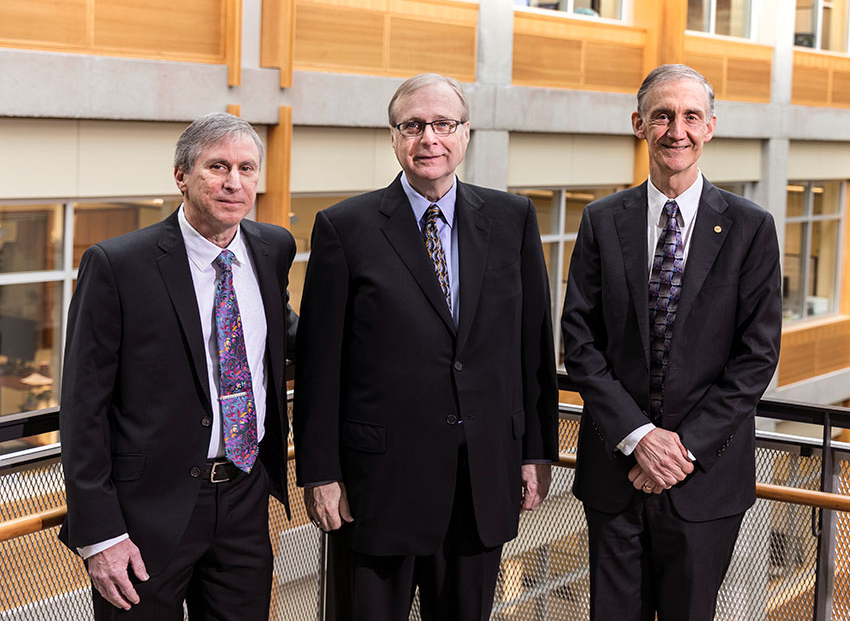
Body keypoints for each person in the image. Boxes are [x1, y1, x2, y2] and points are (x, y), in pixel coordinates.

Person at [293, 73, 559, 620]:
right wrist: (321, 472)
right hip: (376, 488)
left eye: (443, 124)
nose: (428, 139)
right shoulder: (345, 227)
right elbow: (321, 365)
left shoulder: (513, 219)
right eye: (413, 126)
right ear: (394, 138)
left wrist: (535, 451)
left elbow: (534, 348)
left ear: (466, 134)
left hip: (481, 481)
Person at [561, 64, 782, 620]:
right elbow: (579, 342)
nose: (675, 129)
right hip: (615, 474)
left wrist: (679, 450)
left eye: (689, 116)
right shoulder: (600, 220)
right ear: (639, 124)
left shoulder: (751, 227)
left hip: (704, 480)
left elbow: (756, 356)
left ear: (709, 126)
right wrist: (639, 438)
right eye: (661, 115)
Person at [59, 112, 297, 620]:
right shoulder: (118, 265)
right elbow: (84, 407)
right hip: (147, 514)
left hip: (244, 498)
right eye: (217, 166)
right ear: (181, 176)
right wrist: (100, 534)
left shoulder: (273, 248)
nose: (235, 182)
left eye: (247, 168)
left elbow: (289, 340)